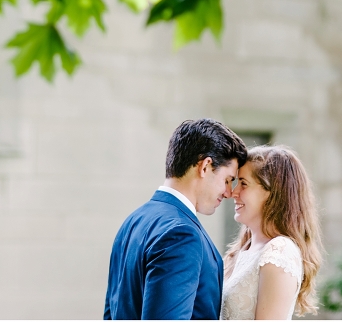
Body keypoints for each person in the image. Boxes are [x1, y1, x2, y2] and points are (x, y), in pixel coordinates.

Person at [104, 118, 248, 320]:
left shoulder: (132, 222)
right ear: (205, 166)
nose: (228, 193)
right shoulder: (182, 235)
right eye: (227, 180)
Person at [220, 145, 323, 320]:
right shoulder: (245, 246)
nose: (233, 192)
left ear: (273, 193)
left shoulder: (279, 250)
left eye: (243, 183)